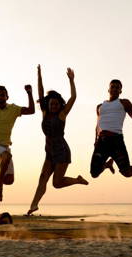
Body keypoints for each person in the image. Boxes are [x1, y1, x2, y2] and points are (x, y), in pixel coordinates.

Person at [26, 65, 88, 216]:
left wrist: (71, 80)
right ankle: (33, 206)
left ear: (60, 105)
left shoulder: (62, 114)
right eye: (51, 103)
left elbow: (73, 98)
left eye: (56, 104)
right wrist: (39, 75)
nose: (53, 106)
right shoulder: (44, 112)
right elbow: (41, 92)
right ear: (48, 104)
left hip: (62, 152)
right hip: (49, 151)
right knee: (42, 178)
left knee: (57, 183)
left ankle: (77, 180)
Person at [90, 79, 132, 182]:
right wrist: (95, 140)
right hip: (102, 141)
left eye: (118, 87)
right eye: (113, 87)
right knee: (94, 173)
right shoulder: (100, 107)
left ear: (120, 91)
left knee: (126, 172)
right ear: (108, 90)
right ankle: (107, 165)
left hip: (116, 141)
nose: (115, 89)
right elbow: (98, 125)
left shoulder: (124, 103)